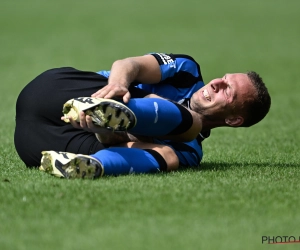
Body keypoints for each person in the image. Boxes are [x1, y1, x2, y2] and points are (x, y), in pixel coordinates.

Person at [14, 53, 271, 179]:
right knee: (191, 123)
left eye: (229, 91)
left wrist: (103, 131)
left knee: (171, 155)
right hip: (57, 91)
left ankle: (95, 165)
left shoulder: (191, 153)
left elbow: (118, 144)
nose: (216, 83)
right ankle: (114, 109)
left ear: (234, 120)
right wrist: (117, 87)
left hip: (36, 144)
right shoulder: (187, 71)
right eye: (223, 78)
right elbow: (129, 65)